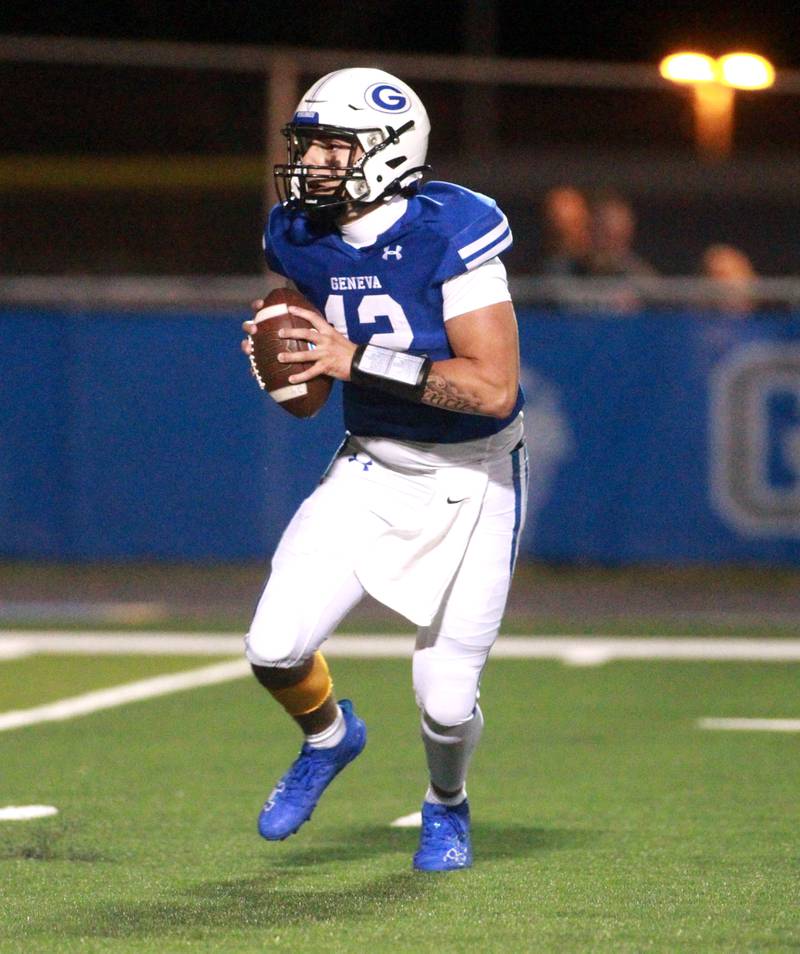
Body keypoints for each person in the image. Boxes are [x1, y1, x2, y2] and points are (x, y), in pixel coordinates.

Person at [240, 67, 527, 872]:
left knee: (444, 701)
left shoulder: (451, 227)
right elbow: (310, 390)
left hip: (478, 475)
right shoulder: (295, 233)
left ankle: (446, 804)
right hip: (374, 463)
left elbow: (492, 388)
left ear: (390, 152)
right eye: (310, 144)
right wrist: (287, 362)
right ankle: (330, 738)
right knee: (273, 646)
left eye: (336, 145)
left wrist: (353, 356)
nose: (315, 162)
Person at [700, 243, 759, 316]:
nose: (728, 284)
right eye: (719, 275)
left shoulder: (771, 322)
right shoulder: (689, 323)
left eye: (735, 271)